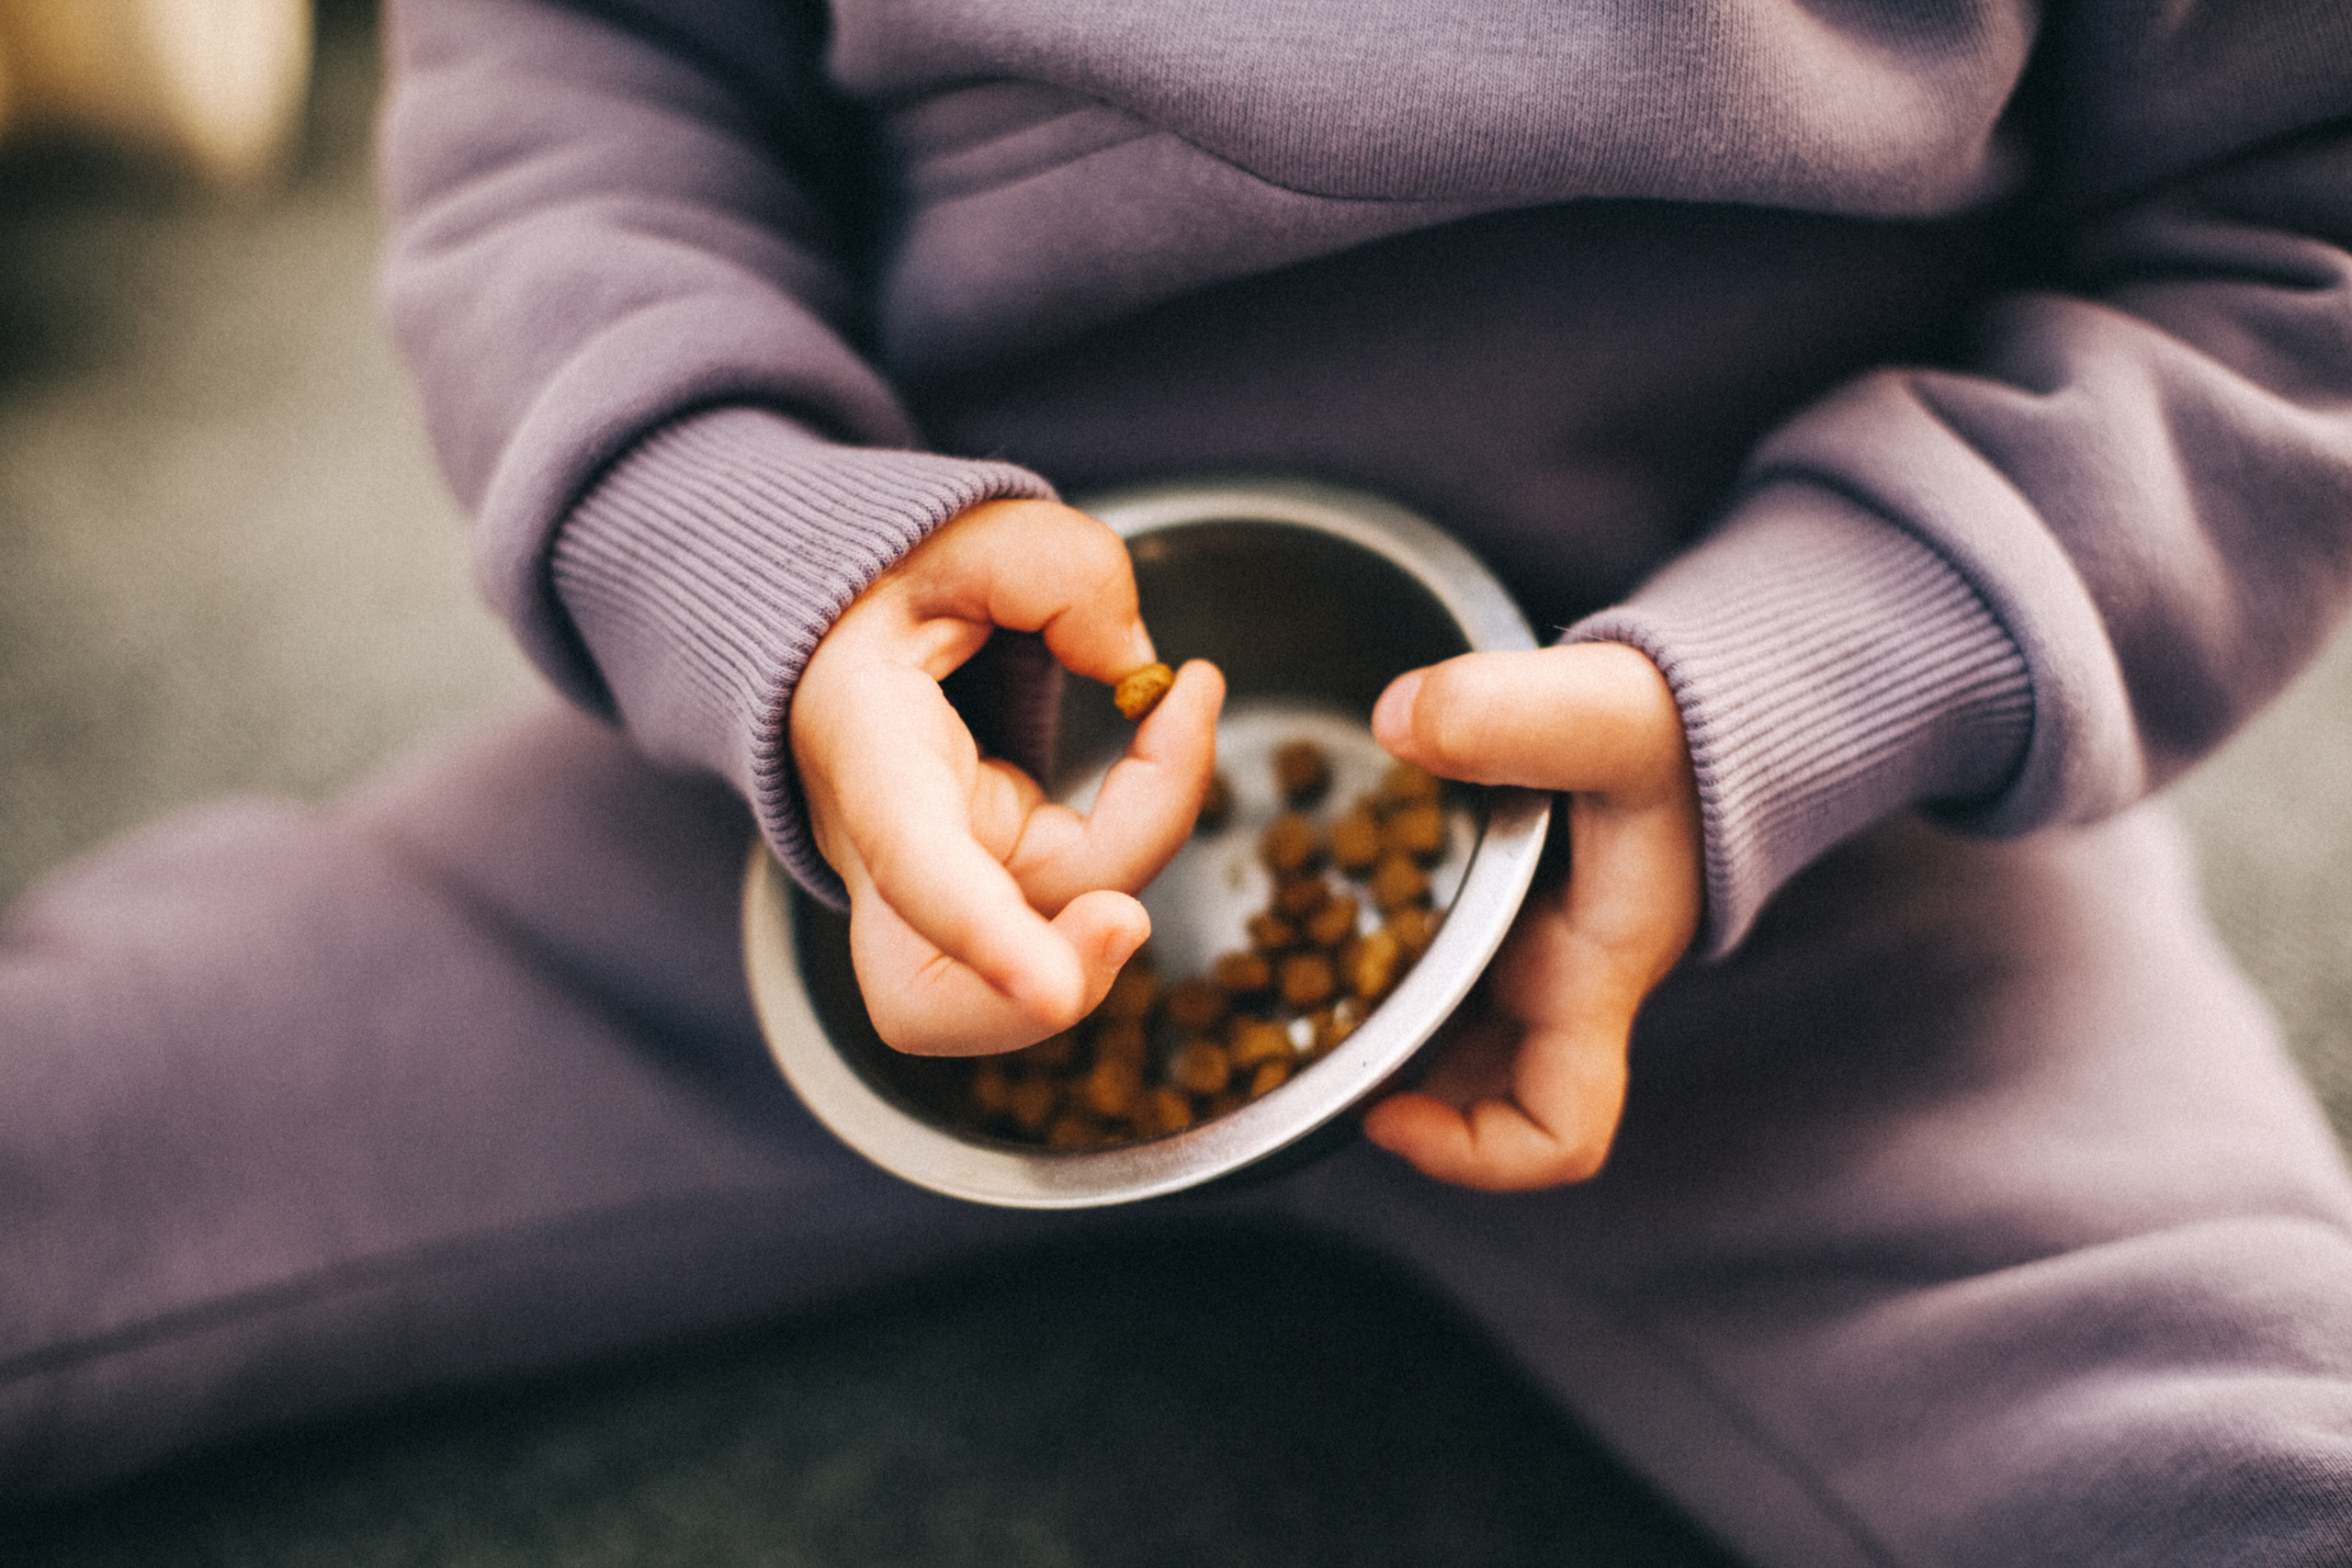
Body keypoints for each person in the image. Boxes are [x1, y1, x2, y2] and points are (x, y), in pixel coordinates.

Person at [5, 0, 2351, 1560]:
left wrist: (1861, 646)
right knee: (85, 1111)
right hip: (868, 802)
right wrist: (732, 527)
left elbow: (2280, 231)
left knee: (2249, 1461)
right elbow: (588, 74)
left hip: (1810, 866)